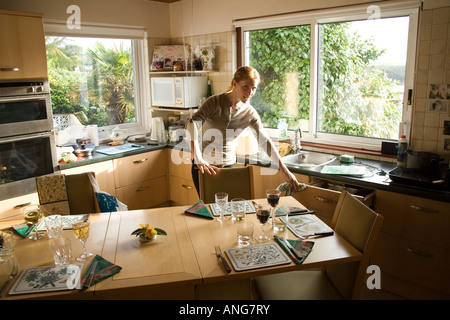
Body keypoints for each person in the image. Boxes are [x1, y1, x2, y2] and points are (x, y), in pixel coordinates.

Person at [186, 66, 300, 195]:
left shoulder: (249, 112)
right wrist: (198, 158)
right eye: (246, 87)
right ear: (234, 83)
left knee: (229, 209)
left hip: (228, 167)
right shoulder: (214, 102)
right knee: (208, 210)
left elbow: (264, 140)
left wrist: (284, 170)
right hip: (204, 166)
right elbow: (192, 125)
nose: (250, 92)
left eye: (254, 88)